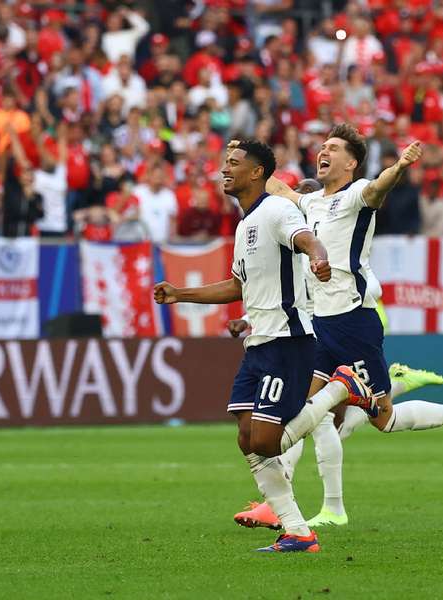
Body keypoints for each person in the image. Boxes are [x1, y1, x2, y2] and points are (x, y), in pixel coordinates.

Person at [153, 140, 376, 553]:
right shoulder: (244, 225)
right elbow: (237, 286)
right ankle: (298, 532)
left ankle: (340, 388)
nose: (225, 170)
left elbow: (308, 239)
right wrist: (180, 294)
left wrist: (319, 257)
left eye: (234, 164)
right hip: (259, 341)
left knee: (266, 441)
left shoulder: (277, 209)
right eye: (225, 163)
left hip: (287, 341)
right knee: (245, 436)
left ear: (257, 173)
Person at [264, 123, 443, 467]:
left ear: (351, 164)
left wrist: (401, 166)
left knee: (384, 419)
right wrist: (251, 159)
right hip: (319, 324)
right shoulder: (312, 201)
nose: (323, 152)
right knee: (301, 407)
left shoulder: (357, 193)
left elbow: (378, 187)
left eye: (333, 148)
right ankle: (278, 500)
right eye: (323, 147)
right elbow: (282, 191)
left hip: (352, 322)